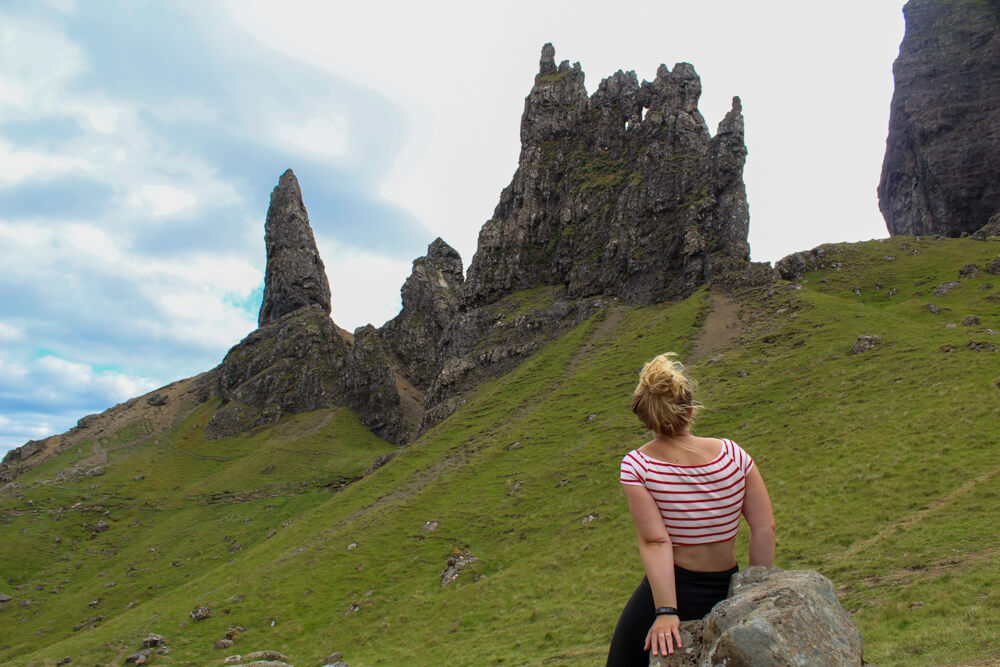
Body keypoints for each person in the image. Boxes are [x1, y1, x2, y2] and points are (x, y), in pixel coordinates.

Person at [606, 353, 776, 665]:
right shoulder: (733, 454)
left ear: (645, 418)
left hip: (676, 591)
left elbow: (656, 541)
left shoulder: (637, 465)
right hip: (730, 588)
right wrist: (754, 592)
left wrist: (666, 612)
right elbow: (764, 528)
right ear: (691, 408)